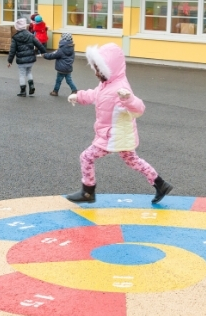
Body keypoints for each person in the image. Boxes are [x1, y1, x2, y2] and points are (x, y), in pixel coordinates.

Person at [65, 43, 173, 204]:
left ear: (110, 68)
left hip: (114, 136)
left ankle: (88, 192)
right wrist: (79, 96)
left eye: (99, 69)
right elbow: (95, 95)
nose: (96, 73)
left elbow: (139, 109)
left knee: (86, 157)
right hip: (119, 135)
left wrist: (128, 99)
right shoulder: (106, 84)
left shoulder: (120, 88)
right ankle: (160, 184)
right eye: (95, 69)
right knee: (132, 160)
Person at [6, 18, 46, 97]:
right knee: (29, 72)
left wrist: (9, 61)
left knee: (22, 74)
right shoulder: (30, 35)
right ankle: (31, 86)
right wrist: (43, 52)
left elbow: (12, 51)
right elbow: (39, 44)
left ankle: (23, 91)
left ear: (17, 27)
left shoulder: (15, 37)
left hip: (21, 60)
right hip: (30, 59)